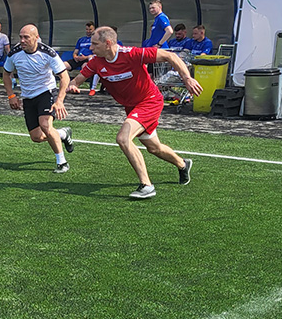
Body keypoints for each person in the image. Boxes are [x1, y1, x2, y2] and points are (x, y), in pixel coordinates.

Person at [60, 25, 200, 199]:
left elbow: (170, 56)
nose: (90, 47)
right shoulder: (96, 62)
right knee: (154, 148)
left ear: (108, 43)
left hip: (149, 101)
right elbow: (77, 80)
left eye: (95, 44)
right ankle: (182, 164)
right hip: (132, 107)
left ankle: (146, 186)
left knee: (123, 138)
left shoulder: (132, 54)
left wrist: (187, 78)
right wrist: (72, 86)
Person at [2, 25, 75, 174]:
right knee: (36, 137)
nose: (22, 40)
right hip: (28, 96)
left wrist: (59, 101)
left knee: (45, 125)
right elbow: (6, 73)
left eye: (26, 37)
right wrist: (11, 95)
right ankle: (63, 134)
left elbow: (64, 77)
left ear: (36, 38)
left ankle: (62, 162)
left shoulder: (48, 53)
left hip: (46, 93)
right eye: (20, 37)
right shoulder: (14, 53)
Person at [67, 21, 100, 96]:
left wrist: (86, 57)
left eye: (90, 29)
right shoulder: (81, 40)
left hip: (88, 59)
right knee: (63, 66)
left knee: (85, 67)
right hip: (79, 58)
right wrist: (75, 56)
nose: (88, 31)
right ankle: (66, 84)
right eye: (87, 29)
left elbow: (97, 53)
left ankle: (76, 85)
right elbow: (75, 51)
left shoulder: (95, 40)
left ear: (94, 30)